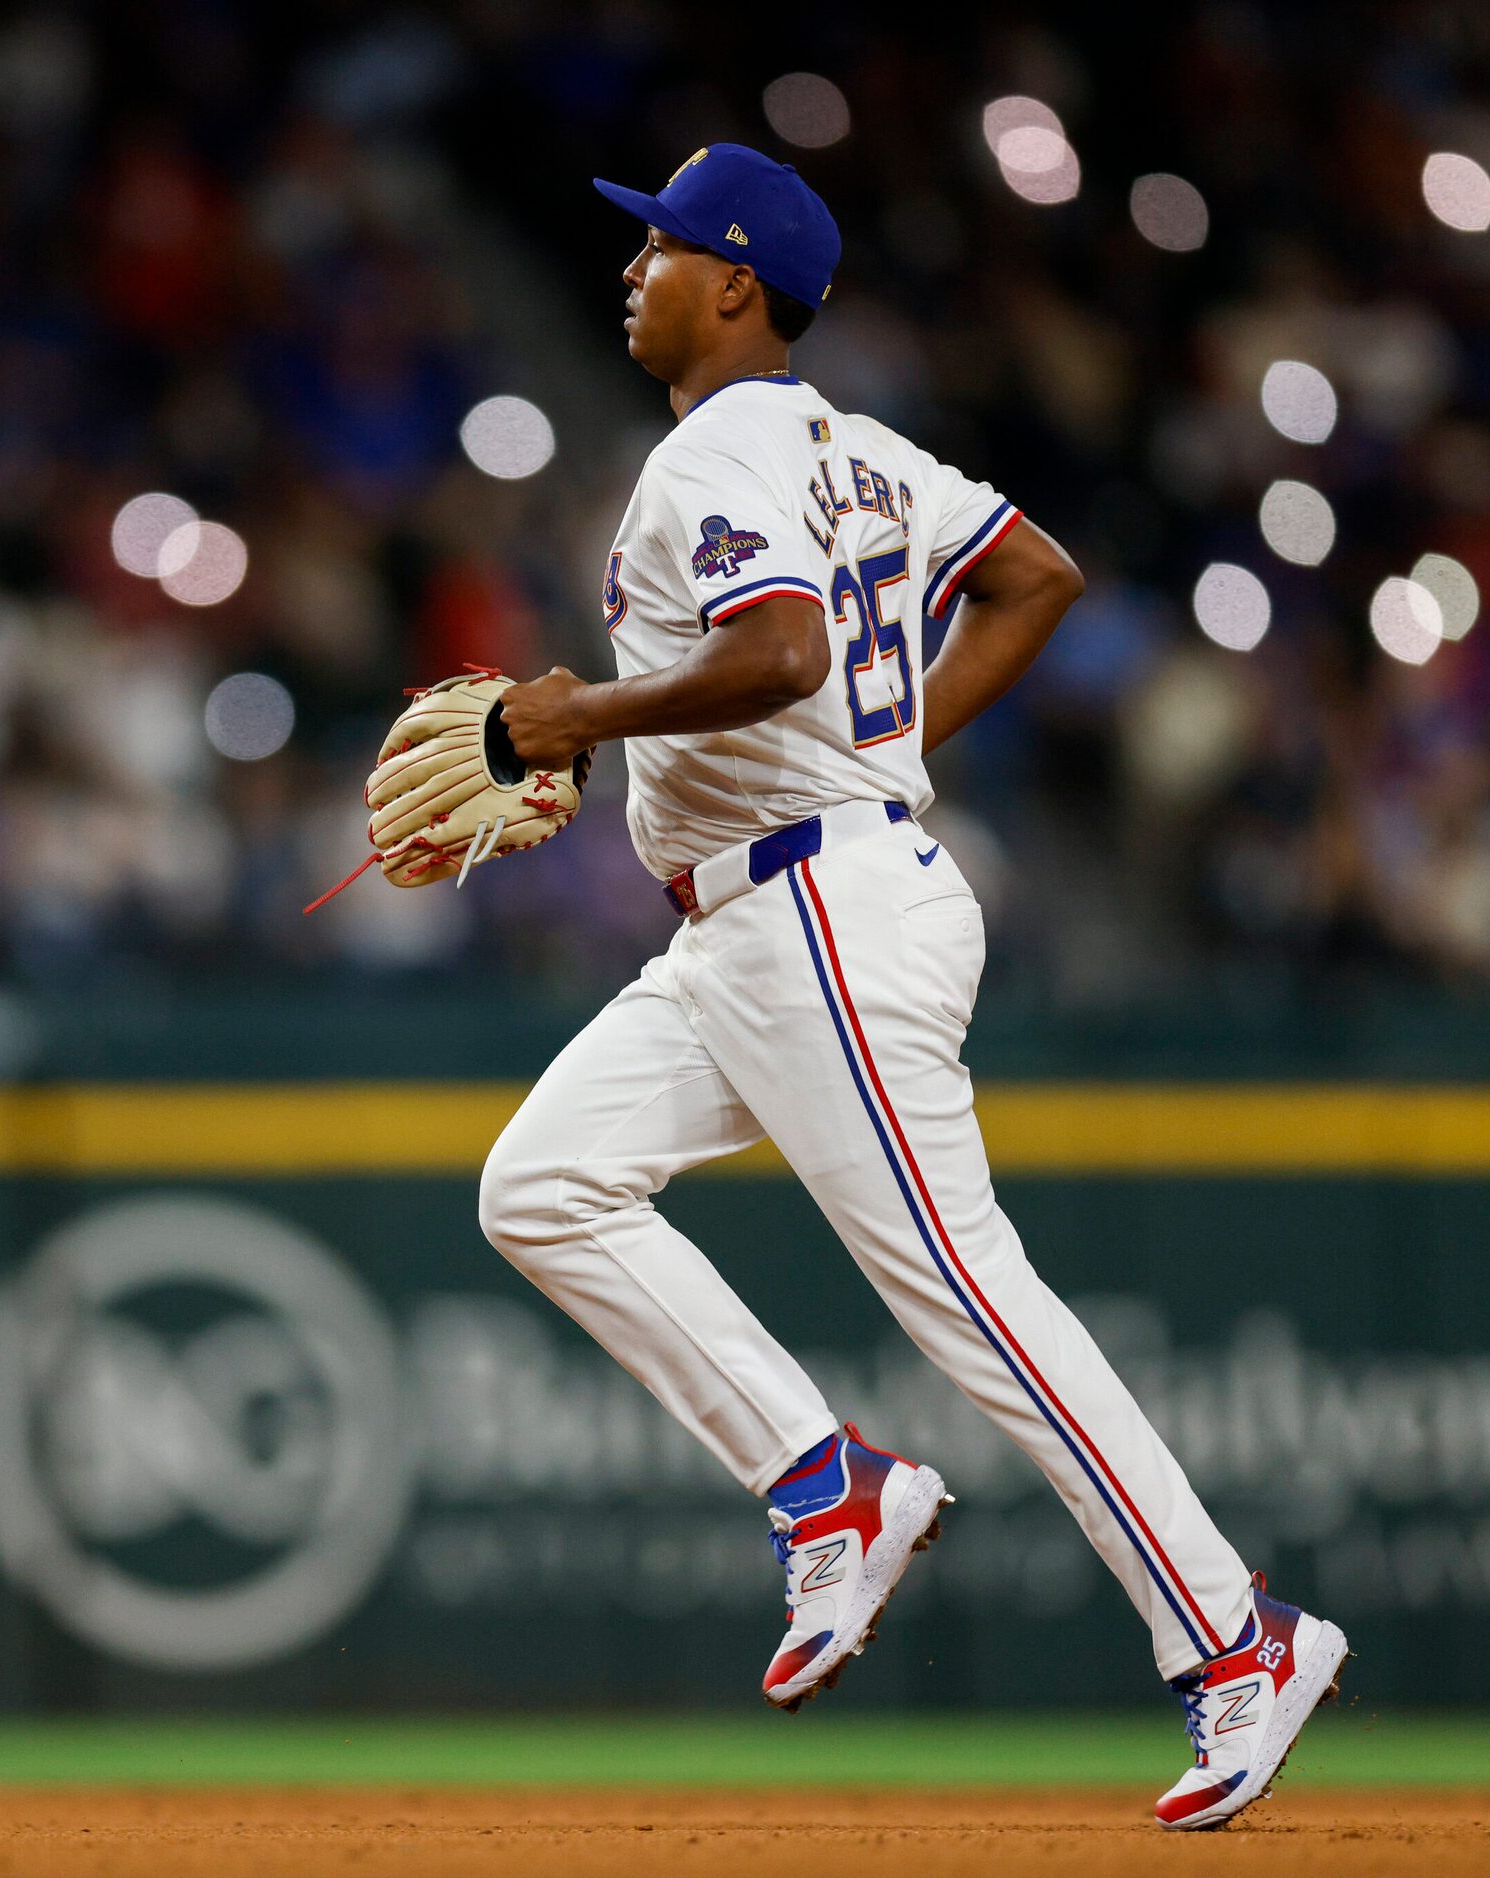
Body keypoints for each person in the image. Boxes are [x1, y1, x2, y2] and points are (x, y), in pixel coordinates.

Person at [479, 143, 1347, 1832]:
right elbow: (1034, 579)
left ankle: (1239, 1637)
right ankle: (828, 1487)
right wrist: (884, 750)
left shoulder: (723, 448)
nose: (632, 267)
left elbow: (789, 654)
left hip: (817, 917)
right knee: (544, 1182)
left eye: (659, 245)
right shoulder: (855, 450)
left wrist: (587, 715)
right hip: (760, 914)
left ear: (734, 281)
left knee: (972, 1293)